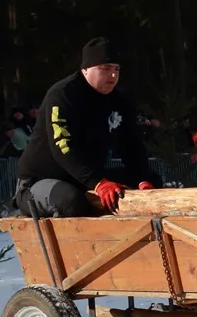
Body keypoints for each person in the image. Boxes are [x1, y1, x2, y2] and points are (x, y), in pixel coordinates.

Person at [13, 37, 162, 218]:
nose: (113, 75)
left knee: (151, 180)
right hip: (41, 181)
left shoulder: (120, 101)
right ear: (85, 69)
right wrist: (98, 182)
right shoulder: (63, 95)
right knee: (71, 202)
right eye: (105, 69)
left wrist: (142, 179)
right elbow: (62, 146)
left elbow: (131, 144)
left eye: (116, 69)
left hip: (85, 179)